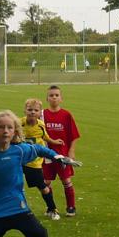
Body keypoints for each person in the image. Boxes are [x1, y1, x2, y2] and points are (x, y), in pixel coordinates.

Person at [21, 98, 64, 220]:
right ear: (25, 110)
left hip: (33, 162)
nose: (32, 112)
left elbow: (45, 137)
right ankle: (18, 211)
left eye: (36, 110)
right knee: (14, 185)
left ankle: (52, 209)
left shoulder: (40, 125)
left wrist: (54, 141)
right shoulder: (19, 124)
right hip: (18, 160)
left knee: (43, 187)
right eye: (30, 109)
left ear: (40, 112)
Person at [42, 85, 81, 217]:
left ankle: (71, 207)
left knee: (66, 180)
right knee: (46, 182)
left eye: (56, 95)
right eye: (51, 95)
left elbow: (74, 135)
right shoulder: (42, 115)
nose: (54, 97)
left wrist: (71, 151)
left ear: (61, 98)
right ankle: (51, 208)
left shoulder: (66, 115)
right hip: (46, 155)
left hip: (62, 155)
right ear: (47, 98)